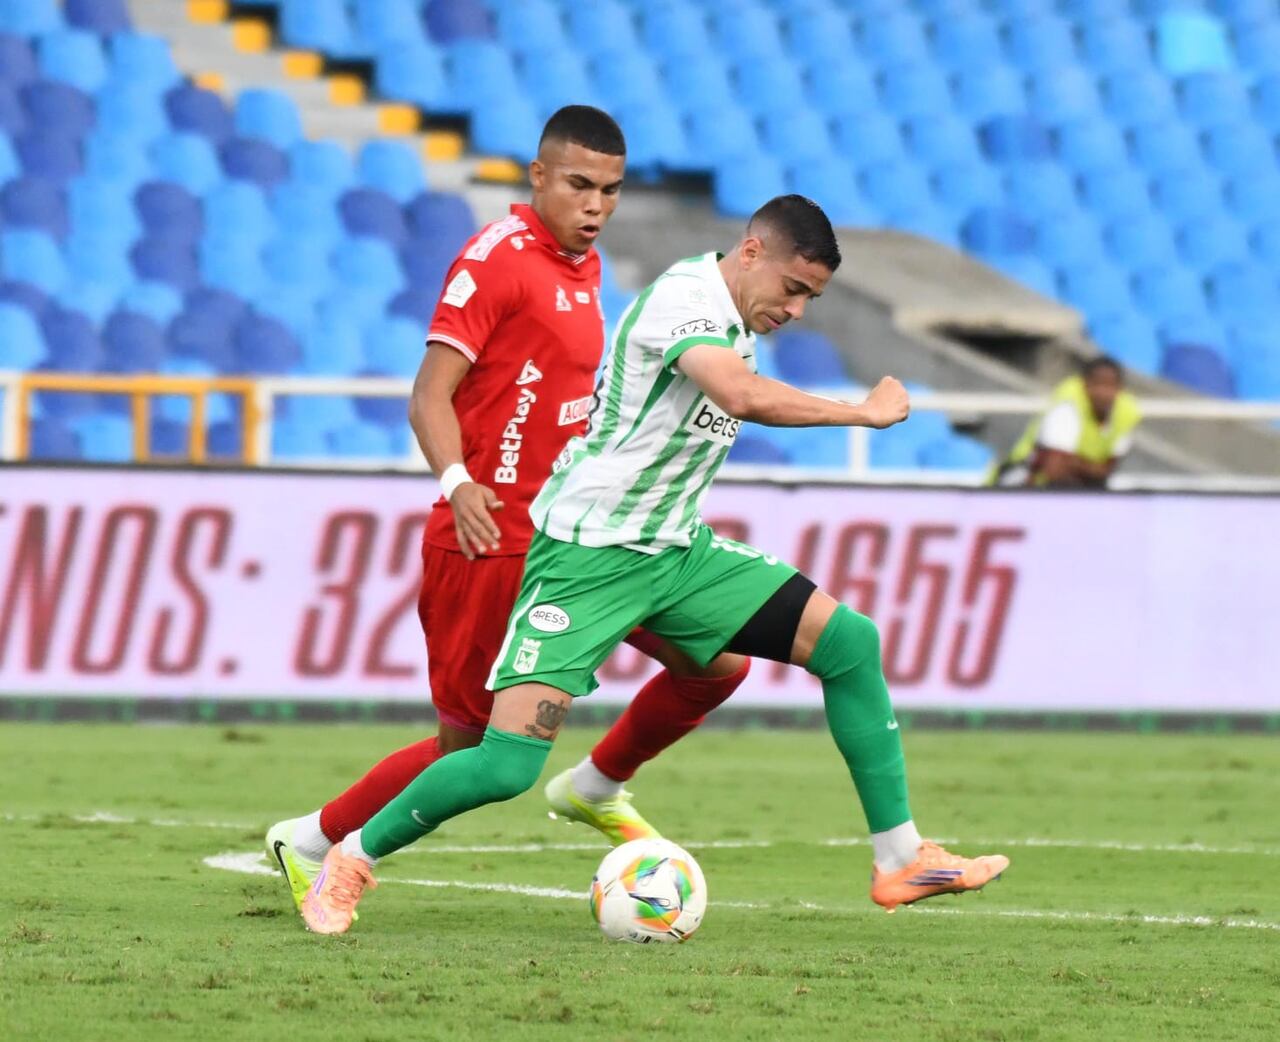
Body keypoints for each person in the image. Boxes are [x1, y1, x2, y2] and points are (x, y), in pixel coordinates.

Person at [299, 195, 1010, 935]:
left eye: (812, 299)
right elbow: (739, 394)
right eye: (794, 290)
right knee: (503, 767)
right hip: (589, 555)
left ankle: (897, 858)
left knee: (848, 642)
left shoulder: (738, 317)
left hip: (674, 550)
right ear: (751, 252)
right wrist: (858, 412)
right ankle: (348, 860)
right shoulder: (685, 299)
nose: (797, 310)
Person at [266, 106, 750, 915]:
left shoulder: (585, 269)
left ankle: (596, 786)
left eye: (611, 190)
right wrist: (458, 482)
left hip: (581, 540)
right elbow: (429, 394)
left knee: (717, 662)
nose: (596, 205)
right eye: (579, 185)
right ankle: (314, 840)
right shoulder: (496, 261)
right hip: (486, 542)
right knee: (471, 754)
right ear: (537, 177)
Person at [990, 356, 1141, 488]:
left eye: (1110, 386)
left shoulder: (1126, 412)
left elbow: (1107, 471)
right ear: (1084, 384)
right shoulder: (1068, 405)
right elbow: (1054, 470)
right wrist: (1093, 468)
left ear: (1120, 389)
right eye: (1097, 384)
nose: (1103, 393)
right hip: (1024, 480)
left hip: (1078, 488)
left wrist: (1074, 463)